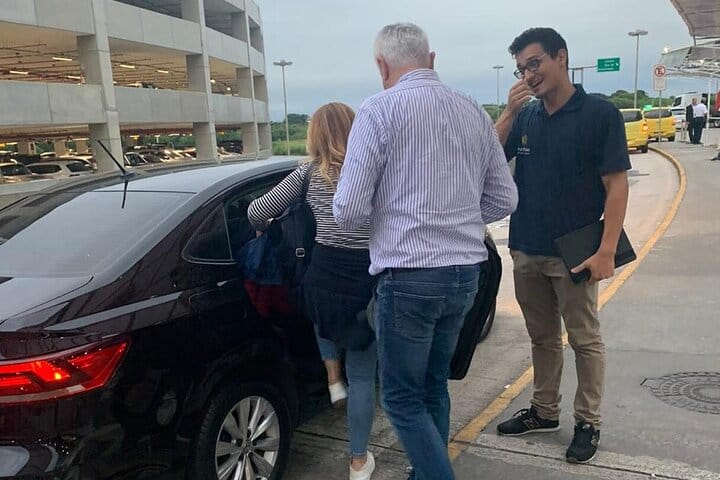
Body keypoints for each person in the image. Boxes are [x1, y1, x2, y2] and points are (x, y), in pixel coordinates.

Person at [333, 23, 518, 480]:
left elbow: (348, 211)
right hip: (465, 275)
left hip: (409, 279)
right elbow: (504, 198)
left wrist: (398, 219)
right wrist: (454, 217)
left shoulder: (377, 111)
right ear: (431, 60)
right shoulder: (471, 109)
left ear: (381, 65)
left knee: (400, 398)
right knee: (434, 385)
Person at [494, 27, 631, 464]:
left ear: (561, 57)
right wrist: (508, 113)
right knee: (542, 337)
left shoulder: (599, 114)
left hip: (577, 251)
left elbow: (616, 184)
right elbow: (489, 157)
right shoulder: (527, 117)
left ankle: (588, 421)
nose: (528, 75)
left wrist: (607, 250)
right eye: (521, 69)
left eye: (534, 64)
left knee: (584, 339)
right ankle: (544, 410)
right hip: (527, 246)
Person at [247, 102, 378, 480]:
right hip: (365, 276)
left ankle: (332, 378)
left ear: (315, 135)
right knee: (364, 375)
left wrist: (266, 226)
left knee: (322, 313)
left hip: (322, 272)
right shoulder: (374, 172)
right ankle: (358, 462)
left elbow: (257, 211)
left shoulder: (306, 174)